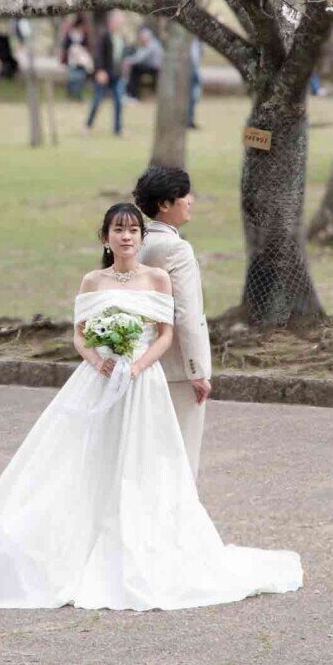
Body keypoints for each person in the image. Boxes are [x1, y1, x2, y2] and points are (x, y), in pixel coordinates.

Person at [0, 203, 302, 611]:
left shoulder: (158, 278)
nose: (127, 236)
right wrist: (99, 360)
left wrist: (137, 366)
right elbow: (80, 333)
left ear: (142, 235)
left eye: (133, 230)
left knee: (145, 461)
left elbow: (166, 334)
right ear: (106, 237)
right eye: (119, 230)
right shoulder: (94, 281)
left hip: (141, 380)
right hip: (99, 378)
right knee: (81, 456)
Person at [133, 166, 211, 479]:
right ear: (165, 204)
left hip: (141, 362)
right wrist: (197, 370)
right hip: (177, 370)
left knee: (148, 452)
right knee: (182, 454)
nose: (190, 200)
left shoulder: (136, 243)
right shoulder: (176, 248)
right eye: (183, 195)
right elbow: (186, 313)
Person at [85, 10, 126, 136]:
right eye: (118, 21)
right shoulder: (105, 36)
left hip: (116, 76)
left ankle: (118, 129)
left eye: (121, 21)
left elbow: (120, 57)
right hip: (104, 74)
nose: (120, 24)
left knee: (119, 102)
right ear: (112, 22)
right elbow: (98, 55)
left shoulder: (121, 37)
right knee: (97, 101)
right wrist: (100, 71)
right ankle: (88, 126)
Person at [123, 26, 163, 101]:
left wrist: (128, 61)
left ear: (146, 37)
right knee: (135, 68)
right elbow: (139, 55)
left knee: (135, 69)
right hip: (151, 67)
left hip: (155, 68)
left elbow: (140, 58)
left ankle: (133, 95)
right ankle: (130, 93)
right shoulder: (147, 44)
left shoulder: (152, 44)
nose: (141, 39)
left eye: (142, 37)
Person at [61, 14, 94, 100]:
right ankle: (71, 94)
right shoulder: (70, 34)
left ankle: (78, 94)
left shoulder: (85, 34)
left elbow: (87, 45)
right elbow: (66, 45)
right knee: (72, 76)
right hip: (72, 58)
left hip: (82, 59)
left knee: (81, 76)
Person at [188, 38, 204, 129]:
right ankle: (188, 121)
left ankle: (190, 120)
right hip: (191, 69)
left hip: (195, 69)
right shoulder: (190, 43)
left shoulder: (199, 43)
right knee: (191, 97)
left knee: (193, 98)